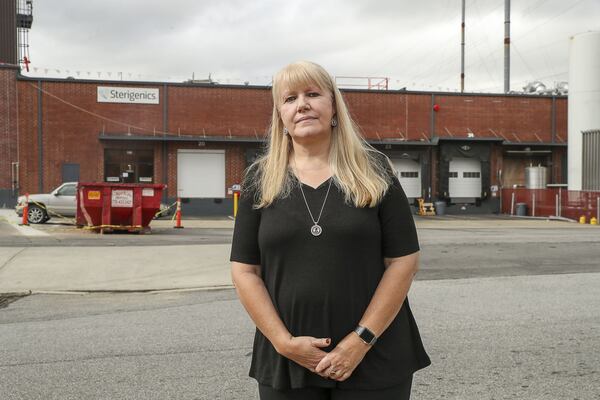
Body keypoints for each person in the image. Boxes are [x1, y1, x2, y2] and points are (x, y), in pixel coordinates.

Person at [230, 61, 430, 400]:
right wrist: (284, 342)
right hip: (287, 361)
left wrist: (360, 340)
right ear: (280, 115)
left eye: (313, 94)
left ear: (333, 106)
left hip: (375, 356)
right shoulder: (259, 180)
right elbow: (245, 271)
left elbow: (403, 262)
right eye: (289, 98)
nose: (302, 104)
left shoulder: (375, 170)